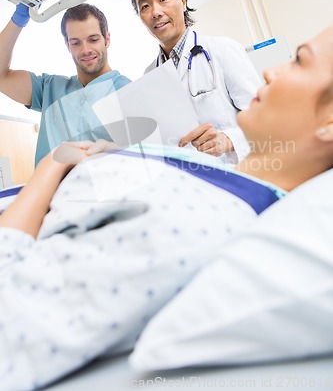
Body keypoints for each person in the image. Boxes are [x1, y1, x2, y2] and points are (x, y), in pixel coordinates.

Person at [0, 24, 333, 390]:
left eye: (299, 62)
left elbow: (13, 325)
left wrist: (52, 165)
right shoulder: (212, 178)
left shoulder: (190, 222)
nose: (271, 70)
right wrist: (116, 156)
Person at [130, 0, 262, 163]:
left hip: (237, 174)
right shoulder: (149, 76)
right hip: (191, 184)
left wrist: (228, 139)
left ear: (183, 0)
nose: (155, 12)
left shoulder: (222, 51)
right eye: (145, 6)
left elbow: (266, 118)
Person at [0, 3, 131, 165]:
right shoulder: (50, 88)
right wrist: (19, 20)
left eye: (93, 39)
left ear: (107, 39)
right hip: (47, 190)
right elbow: (1, 76)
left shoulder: (128, 92)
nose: (86, 49)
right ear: (67, 45)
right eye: (76, 42)